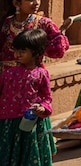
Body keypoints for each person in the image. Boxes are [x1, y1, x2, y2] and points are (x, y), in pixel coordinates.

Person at [0, 28, 55, 165]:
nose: (17, 54)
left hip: (32, 122)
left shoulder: (42, 73)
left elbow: (47, 97)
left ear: (36, 52)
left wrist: (43, 108)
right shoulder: (8, 73)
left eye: (22, 51)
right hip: (8, 122)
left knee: (30, 156)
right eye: (16, 50)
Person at [1, 0, 69, 72]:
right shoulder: (7, 22)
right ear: (16, 3)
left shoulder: (44, 23)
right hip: (6, 75)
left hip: (31, 76)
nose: (37, 3)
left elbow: (58, 49)